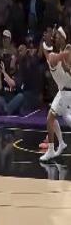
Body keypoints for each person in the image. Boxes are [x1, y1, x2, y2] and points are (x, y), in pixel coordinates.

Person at [40, 30, 71, 162]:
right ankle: (60, 144)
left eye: (58, 36)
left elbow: (66, 62)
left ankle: (52, 149)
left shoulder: (68, 48)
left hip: (68, 92)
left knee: (51, 118)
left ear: (63, 38)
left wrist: (65, 62)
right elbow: (54, 56)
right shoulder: (54, 56)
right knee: (54, 118)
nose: (56, 38)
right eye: (55, 37)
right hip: (62, 91)